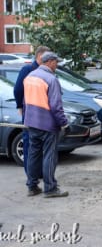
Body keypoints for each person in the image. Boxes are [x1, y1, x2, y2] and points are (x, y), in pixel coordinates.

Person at [24, 51, 70, 198]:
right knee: (50, 156)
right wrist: (63, 123)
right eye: (56, 62)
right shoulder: (51, 79)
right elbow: (56, 106)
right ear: (49, 61)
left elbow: (26, 101)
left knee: (33, 154)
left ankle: (32, 186)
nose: (57, 64)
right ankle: (50, 188)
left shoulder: (29, 77)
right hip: (47, 124)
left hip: (31, 122)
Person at [14, 45, 50, 174]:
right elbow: (18, 89)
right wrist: (20, 106)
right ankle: (31, 174)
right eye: (47, 57)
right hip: (30, 111)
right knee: (29, 142)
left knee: (40, 143)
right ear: (40, 56)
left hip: (43, 112)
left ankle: (38, 171)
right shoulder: (28, 69)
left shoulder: (45, 71)